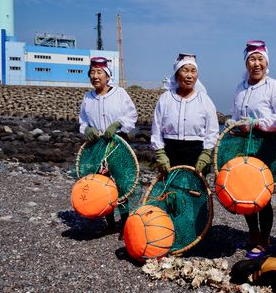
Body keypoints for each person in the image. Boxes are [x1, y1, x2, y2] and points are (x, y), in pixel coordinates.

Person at [226, 40, 276, 259]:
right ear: (246, 63)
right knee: (245, 191)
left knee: (262, 195)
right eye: (252, 59)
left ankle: (264, 239)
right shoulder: (240, 87)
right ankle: (253, 234)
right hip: (244, 146)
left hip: (266, 145)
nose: (256, 64)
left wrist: (258, 123)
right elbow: (236, 115)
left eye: (260, 59)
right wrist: (230, 122)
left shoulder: (274, 86)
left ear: (266, 62)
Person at [79, 56, 138, 232]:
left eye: (99, 72)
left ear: (107, 76)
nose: (95, 76)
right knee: (101, 184)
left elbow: (131, 115)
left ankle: (125, 222)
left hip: (118, 144)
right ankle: (110, 222)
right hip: (97, 147)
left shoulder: (119, 94)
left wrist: (117, 124)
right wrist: (87, 129)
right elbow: (82, 121)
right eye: (92, 72)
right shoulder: (87, 98)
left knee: (123, 182)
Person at [151, 53, 219, 175]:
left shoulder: (205, 101)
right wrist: (160, 154)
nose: (189, 76)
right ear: (177, 74)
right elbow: (156, 129)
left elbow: (212, 131)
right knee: (170, 191)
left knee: (195, 192)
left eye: (193, 71)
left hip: (196, 154)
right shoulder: (165, 98)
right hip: (170, 152)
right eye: (185, 71)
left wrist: (206, 153)